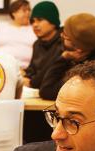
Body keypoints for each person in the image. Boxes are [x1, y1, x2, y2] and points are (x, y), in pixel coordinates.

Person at [37, 13, 95, 100]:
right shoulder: (75, 52)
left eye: (65, 35)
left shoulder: (92, 70)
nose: (61, 35)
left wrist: (63, 59)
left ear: (79, 48)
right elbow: (36, 81)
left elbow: (47, 91)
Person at [21, 1, 63, 143]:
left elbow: (46, 73)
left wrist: (30, 80)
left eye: (40, 20)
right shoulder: (38, 44)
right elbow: (33, 69)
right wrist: (24, 74)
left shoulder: (63, 44)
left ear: (53, 21)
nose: (35, 25)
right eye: (32, 21)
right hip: (36, 98)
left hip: (52, 101)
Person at [0, 0, 36, 69]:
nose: (28, 13)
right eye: (24, 10)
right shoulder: (0, 27)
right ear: (14, 13)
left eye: (29, 10)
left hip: (26, 69)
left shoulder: (34, 29)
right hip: (0, 68)